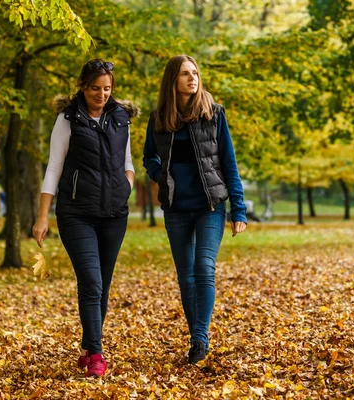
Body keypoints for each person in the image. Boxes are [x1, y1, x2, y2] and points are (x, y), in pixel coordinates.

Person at [32, 59, 139, 377]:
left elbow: (128, 160)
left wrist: (126, 187)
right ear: (83, 86)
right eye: (95, 88)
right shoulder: (68, 118)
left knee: (102, 286)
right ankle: (97, 354)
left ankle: (87, 346)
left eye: (107, 89)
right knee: (91, 281)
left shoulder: (121, 117)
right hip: (76, 213)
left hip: (114, 215)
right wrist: (42, 216)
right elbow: (54, 166)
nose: (102, 94)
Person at [143, 55, 247, 364]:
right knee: (185, 276)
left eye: (196, 73)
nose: (193, 78)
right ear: (173, 80)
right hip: (176, 207)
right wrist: (159, 174)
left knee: (204, 267)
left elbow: (229, 161)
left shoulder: (213, 114)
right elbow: (150, 156)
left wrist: (239, 209)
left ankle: (200, 336)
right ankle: (196, 339)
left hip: (209, 205)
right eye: (186, 74)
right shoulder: (159, 118)